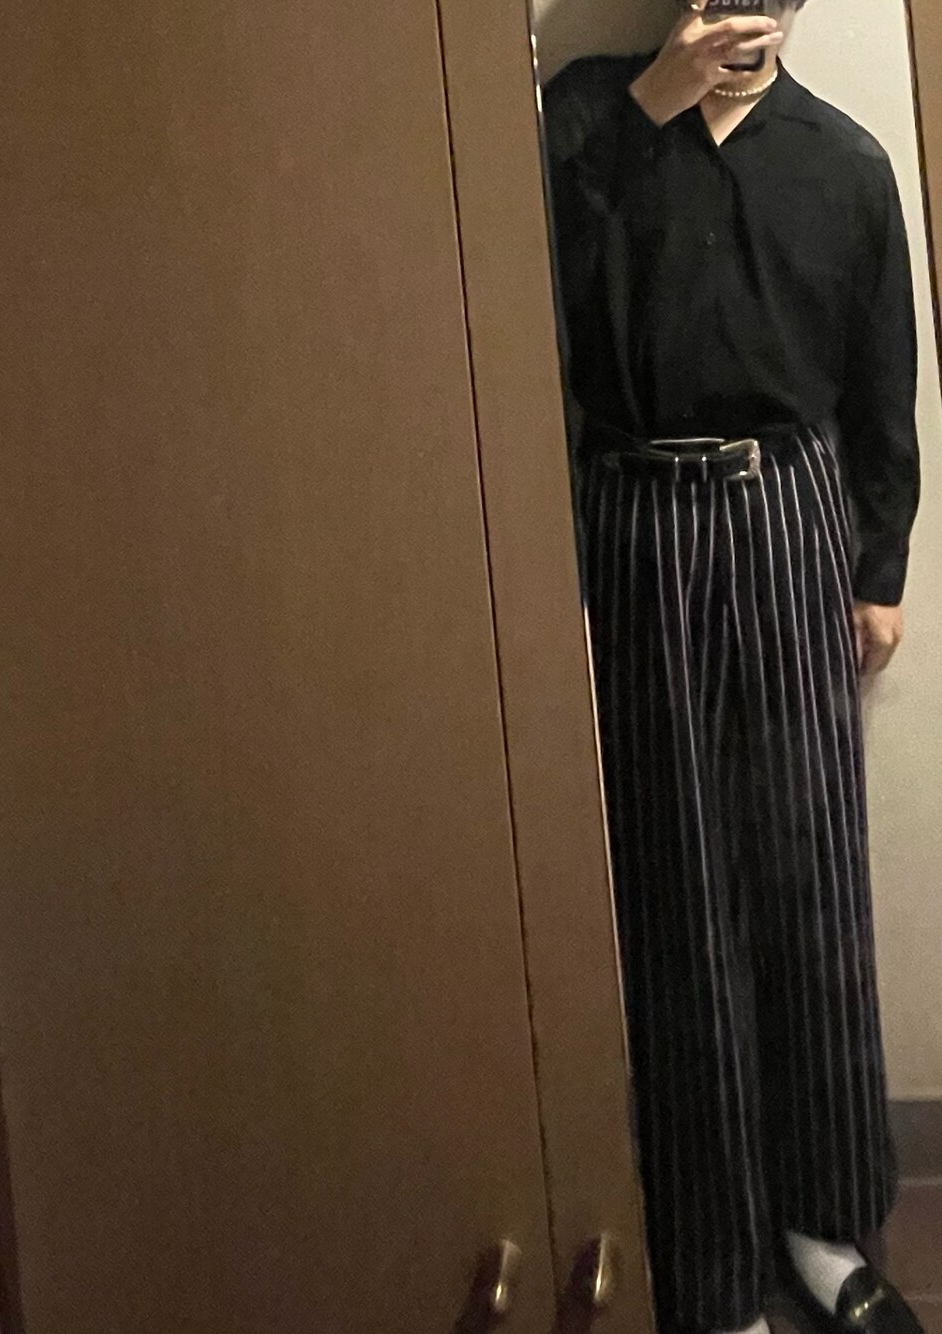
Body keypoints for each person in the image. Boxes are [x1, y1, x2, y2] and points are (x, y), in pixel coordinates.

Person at [543, 3, 924, 1332]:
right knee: (676, 895)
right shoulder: (582, 118)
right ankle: (709, 1273)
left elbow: (882, 380)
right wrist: (644, 111)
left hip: (789, 513)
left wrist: (883, 564)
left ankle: (826, 1219)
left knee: (810, 876)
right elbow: (524, 317)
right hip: (637, 520)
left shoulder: (847, 161)